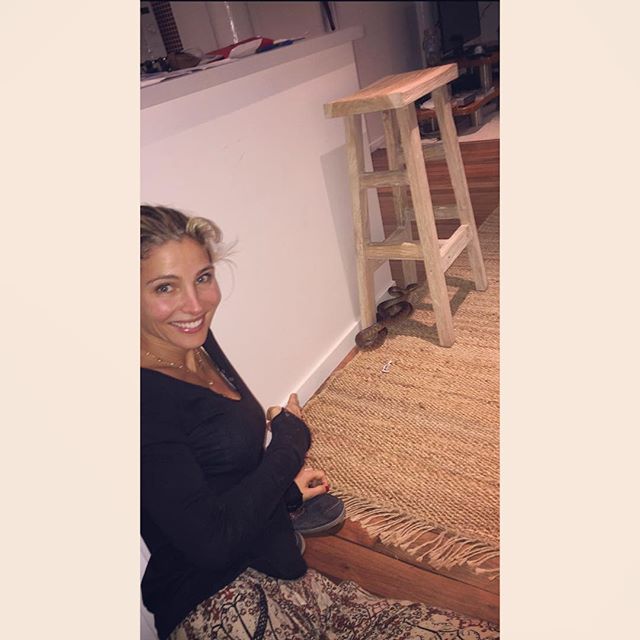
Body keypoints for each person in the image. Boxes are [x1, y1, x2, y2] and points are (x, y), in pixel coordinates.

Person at [140, 205, 499, 640]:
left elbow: (209, 477)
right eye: (165, 287)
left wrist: (285, 493)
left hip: (280, 568)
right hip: (216, 603)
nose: (195, 304)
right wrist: (290, 443)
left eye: (202, 277)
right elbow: (211, 543)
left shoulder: (194, 340)